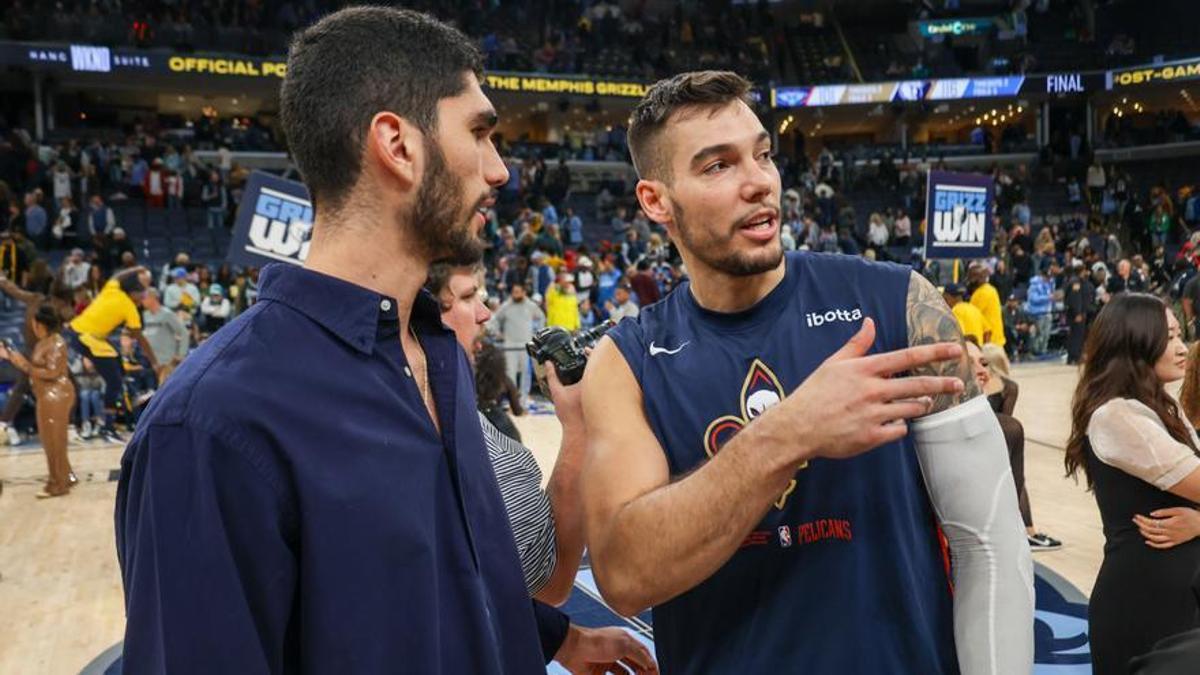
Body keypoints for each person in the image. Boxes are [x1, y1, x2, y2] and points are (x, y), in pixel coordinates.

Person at [115, 8, 641, 674]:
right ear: (397, 144)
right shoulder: (209, 425)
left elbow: (429, 582)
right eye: (480, 134)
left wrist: (554, 637)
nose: (500, 170)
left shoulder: (439, 354)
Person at [581, 70, 1032, 674]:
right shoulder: (626, 360)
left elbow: (989, 544)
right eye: (717, 166)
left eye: (763, 155)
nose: (759, 184)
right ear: (655, 200)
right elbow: (625, 575)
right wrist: (790, 431)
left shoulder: (900, 303)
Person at [1065, 293, 1200, 675]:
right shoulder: (1118, 415)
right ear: (1136, 342)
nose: (1181, 347)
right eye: (1169, 337)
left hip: (1177, 595)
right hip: (1146, 603)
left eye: (1180, 334)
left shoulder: (1163, 406)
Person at [974, 342, 1062, 550]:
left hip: (983, 439)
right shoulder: (1009, 386)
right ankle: (1029, 531)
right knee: (1017, 478)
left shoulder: (984, 385)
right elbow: (1008, 422)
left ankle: (1027, 531)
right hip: (997, 439)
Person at [65, 267, 157, 442]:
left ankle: (131, 393)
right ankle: (107, 427)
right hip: (85, 337)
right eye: (141, 294)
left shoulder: (112, 288)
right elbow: (141, 338)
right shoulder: (129, 306)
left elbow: (117, 274)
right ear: (133, 293)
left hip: (79, 332)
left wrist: (136, 269)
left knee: (115, 358)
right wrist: (154, 362)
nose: (143, 298)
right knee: (114, 381)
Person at [0, 305, 75, 498]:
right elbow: (35, 367)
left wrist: (24, 365)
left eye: (33, 322)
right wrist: (12, 357)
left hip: (56, 395)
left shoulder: (56, 343)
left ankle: (58, 484)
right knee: (51, 440)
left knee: (54, 441)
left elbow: (52, 372)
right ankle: (67, 476)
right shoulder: (43, 342)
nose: (31, 326)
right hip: (45, 395)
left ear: (40, 324)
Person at [0, 273, 74, 446]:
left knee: (21, 389)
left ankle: (3, 425)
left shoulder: (35, 298)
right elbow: (70, 316)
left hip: (29, 352)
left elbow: (14, 290)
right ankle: (69, 429)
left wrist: (2, 280)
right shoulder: (56, 307)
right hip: (44, 355)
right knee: (70, 386)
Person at [491, 283, 544, 402]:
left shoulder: (531, 305)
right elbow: (495, 320)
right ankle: (513, 401)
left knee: (526, 375)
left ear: (524, 292)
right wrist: (497, 333)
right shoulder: (506, 305)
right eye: (513, 292)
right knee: (510, 374)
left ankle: (523, 401)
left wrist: (536, 335)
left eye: (518, 292)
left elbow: (541, 317)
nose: (515, 294)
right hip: (510, 345)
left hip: (525, 346)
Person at [140, 288, 189, 380]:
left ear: (153, 298)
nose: (142, 300)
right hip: (152, 360)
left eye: (144, 298)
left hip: (167, 360)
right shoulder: (145, 315)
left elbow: (183, 332)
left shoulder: (167, 314)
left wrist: (181, 354)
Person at [1063, 259, 1094, 365]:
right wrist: (1078, 313)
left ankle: (1074, 356)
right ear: (1082, 271)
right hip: (1077, 314)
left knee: (1078, 335)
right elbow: (1075, 299)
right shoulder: (1075, 282)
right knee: (1076, 335)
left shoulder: (1080, 282)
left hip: (1081, 312)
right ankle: (1075, 357)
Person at [967, 262, 1005, 349]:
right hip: (997, 339)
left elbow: (972, 317)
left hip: (989, 341)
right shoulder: (991, 289)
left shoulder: (980, 293)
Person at [1025, 259, 1056, 356]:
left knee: (1046, 334)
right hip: (1038, 313)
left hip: (1048, 312)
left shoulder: (1051, 282)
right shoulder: (1035, 283)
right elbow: (1033, 298)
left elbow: (1052, 295)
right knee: (1039, 334)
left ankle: (1043, 351)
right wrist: (1048, 298)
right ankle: (1035, 352)